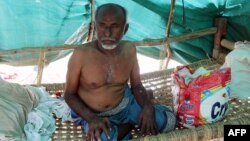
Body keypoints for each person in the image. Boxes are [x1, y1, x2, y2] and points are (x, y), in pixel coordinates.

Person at [64, 3, 176, 141]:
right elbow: (69, 95)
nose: (107, 32)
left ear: (125, 29)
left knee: (169, 123)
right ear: (95, 26)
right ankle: (129, 124)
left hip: (125, 105)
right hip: (92, 113)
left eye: (115, 26)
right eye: (102, 25)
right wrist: (92, 119)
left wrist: (148, 108)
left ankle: (132, 117)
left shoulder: (129, 50)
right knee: (101, 139)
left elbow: (136, 86)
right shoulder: (81, 54)